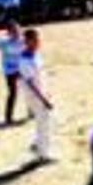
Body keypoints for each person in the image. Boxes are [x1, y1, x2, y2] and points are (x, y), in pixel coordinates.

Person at [19, 28, 56, 161]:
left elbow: (41, 74)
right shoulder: (24, 60)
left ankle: (37, 144)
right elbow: (30, 83)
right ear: (28, 41)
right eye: (35, 39)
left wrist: (48, 92)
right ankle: (44, 154)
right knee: (43, 122)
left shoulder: (36, 54)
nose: (39, 41)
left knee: (47, 120)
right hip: (35, 96)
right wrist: (43, 99)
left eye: (38, 39)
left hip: (42, 92)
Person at [0, 21, 24, 126]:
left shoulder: (23, 40)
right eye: (14, 31)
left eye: (18, 30)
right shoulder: (3, 42)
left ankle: (31, 111)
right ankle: (8, 117)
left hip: (23, 69)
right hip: (10, 71)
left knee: (28, 91)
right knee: (13, 93)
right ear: (9, 32)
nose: (17, 32)